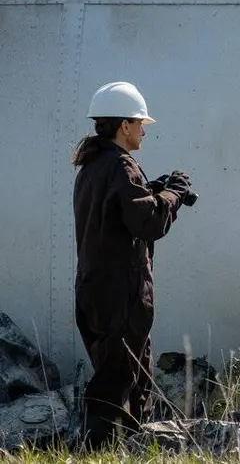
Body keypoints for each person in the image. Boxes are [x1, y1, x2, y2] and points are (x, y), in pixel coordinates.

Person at [71, 81, 194, 449]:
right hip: (122, 291)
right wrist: (174, 193)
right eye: (140, 123)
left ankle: (129, 448)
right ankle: (96, 451)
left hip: (94, 287)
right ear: (124, 125)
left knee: (133, 373)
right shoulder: (122, 165)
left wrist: (153, 189)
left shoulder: (92, 166)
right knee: (117, 378)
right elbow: (148, 223)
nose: (144, 130)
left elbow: (121, 210)